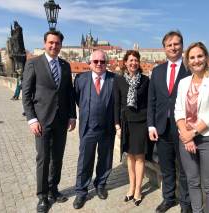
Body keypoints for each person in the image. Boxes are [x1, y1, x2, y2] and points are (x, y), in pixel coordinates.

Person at [22, 30, 76, 213]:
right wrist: (31, 119)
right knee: (43, 158)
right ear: (45, 43)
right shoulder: (34, 64)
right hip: (42, 120)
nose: (54, 46)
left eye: (57, 43)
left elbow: (69, 93)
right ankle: (42, 196)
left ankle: (54, 189)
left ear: (61, 45)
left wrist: (72, 116)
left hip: (61, 120)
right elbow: (26, 94)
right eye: (51, 43)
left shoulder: (65, 65)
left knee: (58, 158)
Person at [175, 42, 209, 213]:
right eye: (192, 57)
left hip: (208, 137)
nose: (196, 60)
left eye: (199, 56)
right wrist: (186, 134)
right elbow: (178, 111)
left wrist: (192, 133)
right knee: (192, 181)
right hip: (185, 137)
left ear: (206, 58)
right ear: (187, 62)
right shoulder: (183, 83)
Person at [147, 30, 191, 213]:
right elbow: (152, 101)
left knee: (185, 169)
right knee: (166, 167)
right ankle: (168, 198)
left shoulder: (190, 70)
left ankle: (186, 204)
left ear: (182, 46)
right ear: (164, 48)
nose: (173, 47)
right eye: (169, 45)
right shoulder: (157, 71)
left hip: (183, 129)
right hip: (162, 128)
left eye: (176, 44)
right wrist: (151, 125)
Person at [73, 50, 115, 209]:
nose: (99, 64)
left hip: (108, 127)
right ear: (90, 63)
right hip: (88, 127)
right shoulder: (81, 79)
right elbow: (77, 99)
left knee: (105, 158)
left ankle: (100, 184)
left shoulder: (114, 79)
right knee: (85, 160)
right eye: (96, 61)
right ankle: (81, 191)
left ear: (107, 63)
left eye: (102, 62)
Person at [113, 50, 149, 206]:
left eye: (136, 60)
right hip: (126, 122)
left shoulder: (146, 80)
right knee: (130, 157)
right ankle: (131, 187)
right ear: (125, 63)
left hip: (141, 123)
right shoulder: (119, 80)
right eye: (130, 60)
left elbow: (149, 103)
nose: (133, 63)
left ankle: (138, 190)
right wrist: (117, 125)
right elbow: (116, 103)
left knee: (140, 157)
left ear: (138, 63)